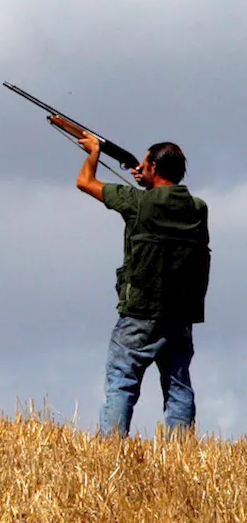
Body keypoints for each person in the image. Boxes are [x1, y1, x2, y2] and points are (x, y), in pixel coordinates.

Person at [75, 135, 210, 437]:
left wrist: (94, 152)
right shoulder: (198, 208)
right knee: (178, 385)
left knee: (122, 378)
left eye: (145, 163)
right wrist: (148, 181)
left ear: (153, 167)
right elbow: (163, 203)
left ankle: (111, 449)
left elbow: (85, 182)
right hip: (181, 312)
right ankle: (181, 454)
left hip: (140, 311)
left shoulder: (137, 202)